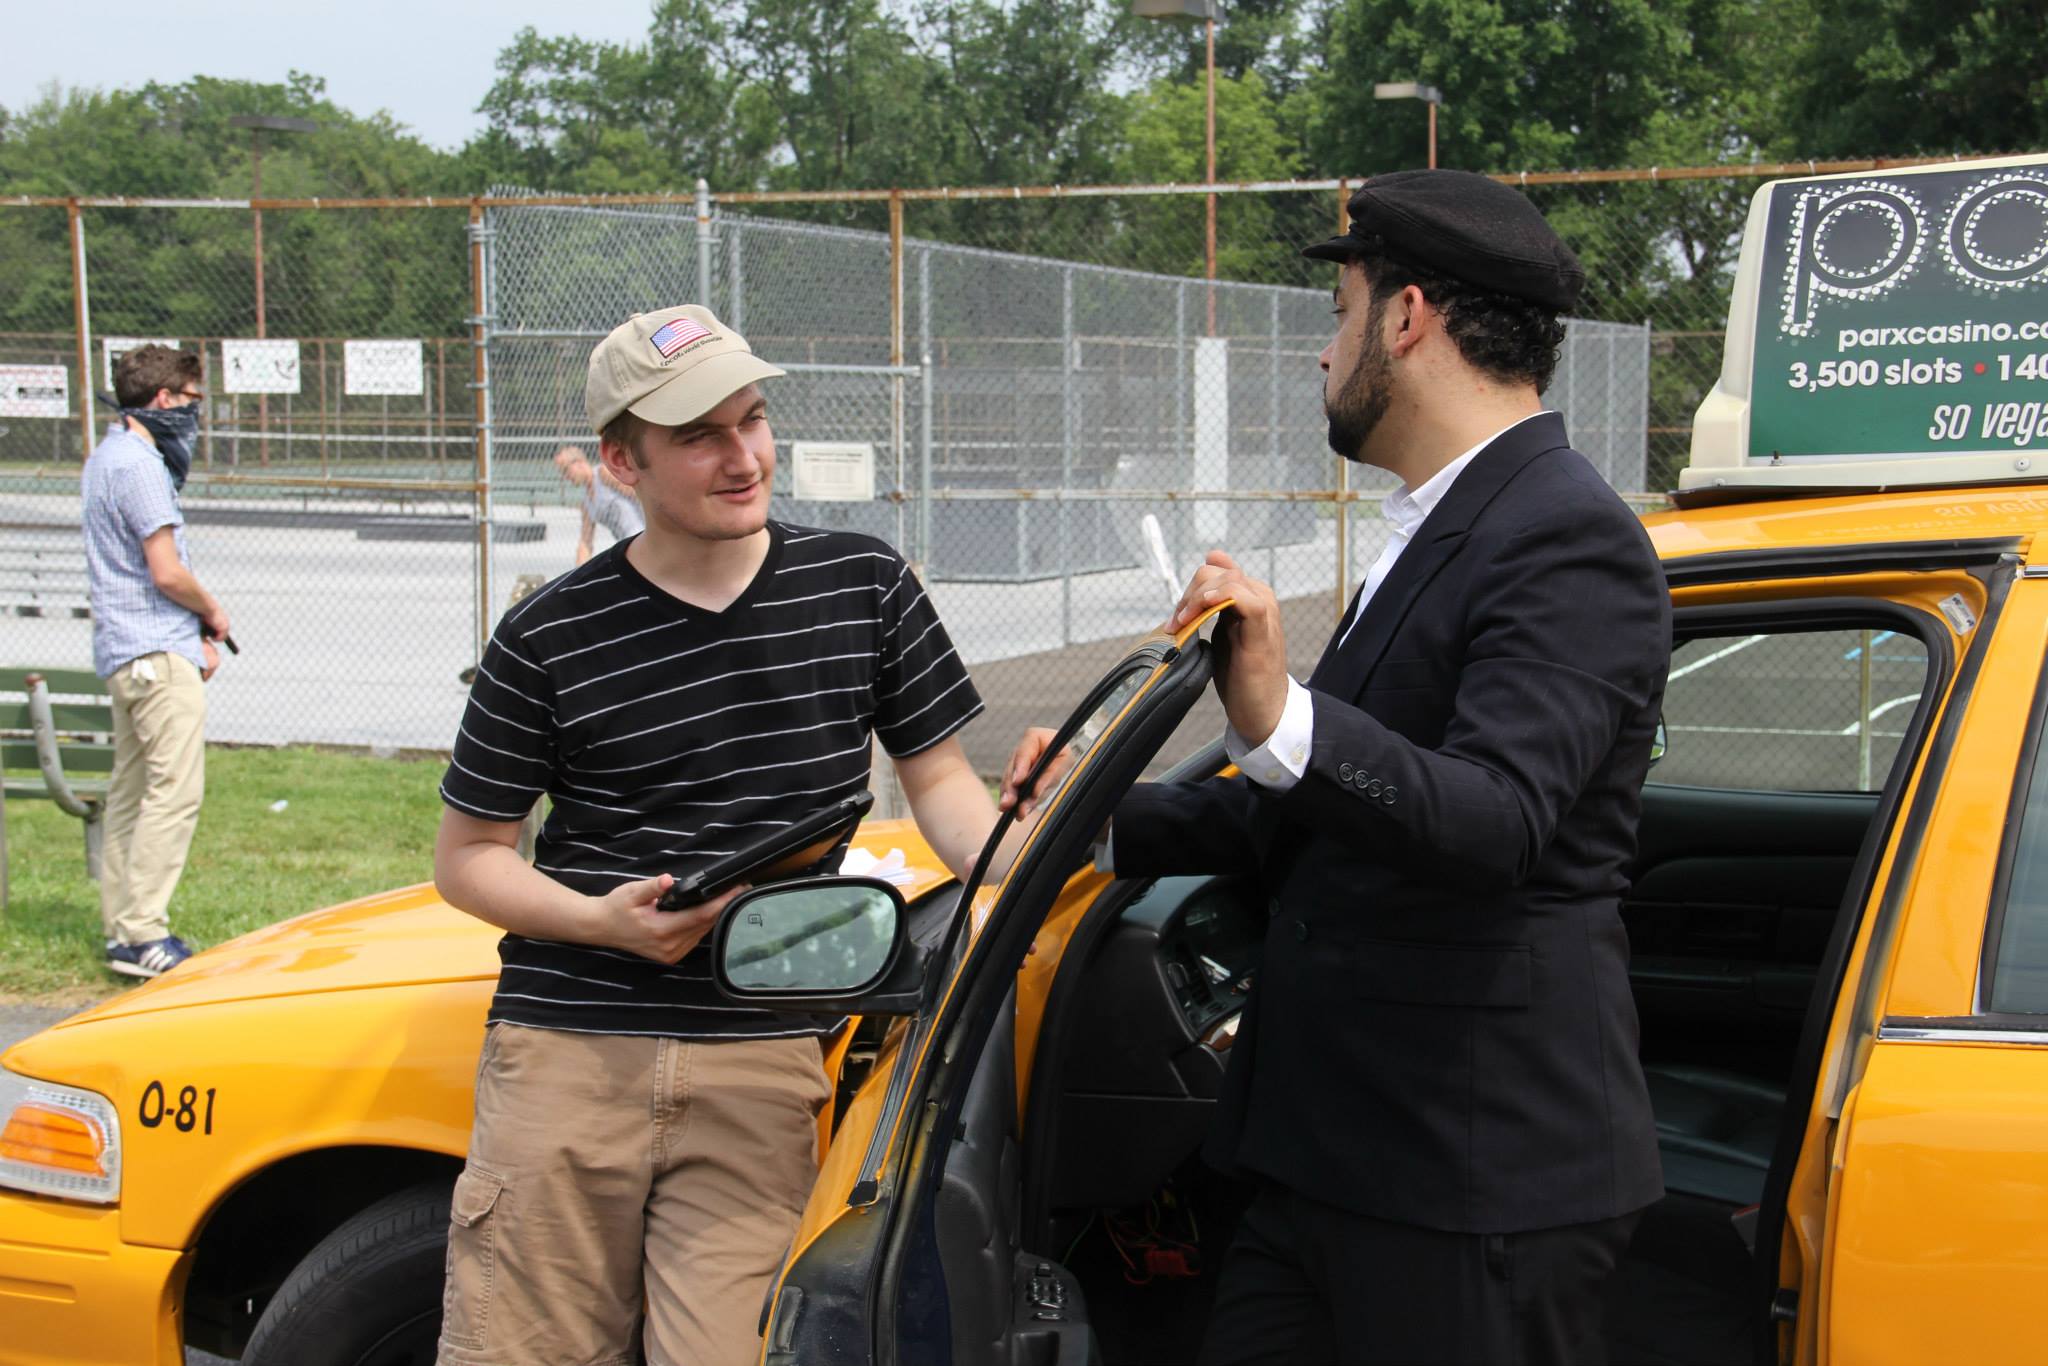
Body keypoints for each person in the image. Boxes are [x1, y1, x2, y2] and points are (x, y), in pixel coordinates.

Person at [1006, 170, 1671, 1364]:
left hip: (1472, 1184)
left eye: (1336, 313)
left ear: (1405, 318)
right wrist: (1092, 815)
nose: (1323, 354)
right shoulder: (1448, 524)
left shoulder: (1567, 534)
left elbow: (1496, 819)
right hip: (1331, 1163)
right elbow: (1313, 822)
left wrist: (1278, 709)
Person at [433, 304, 1004, 1366]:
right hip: (569, 1050)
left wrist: (1032, 859)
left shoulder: (863, 588)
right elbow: (468, 861)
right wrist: (603, 924)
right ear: (620, 461)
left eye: (751, 420)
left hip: (760, 1055)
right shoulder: (547, 634)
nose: (742, 456)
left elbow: (944, 787)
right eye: (699, 435)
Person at [81, 343, 231, 979]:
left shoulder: (105, 456)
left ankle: (122, 928)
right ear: (166, 400)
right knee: (173, 792)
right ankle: (145, 933)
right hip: (154, 654)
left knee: (131, 793)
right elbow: (167, 571)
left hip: (125, 649)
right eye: (194, 401)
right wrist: (213, 614)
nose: (198, 415)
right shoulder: (140, 465)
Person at [554, 441, 645, 564]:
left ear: (579, 463)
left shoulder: (604, 474)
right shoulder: (586, 503)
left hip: (644, 540)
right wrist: (578, 575)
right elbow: (585, 542)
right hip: (628, 548)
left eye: (565, 470)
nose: (565, 477)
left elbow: (641, 495)